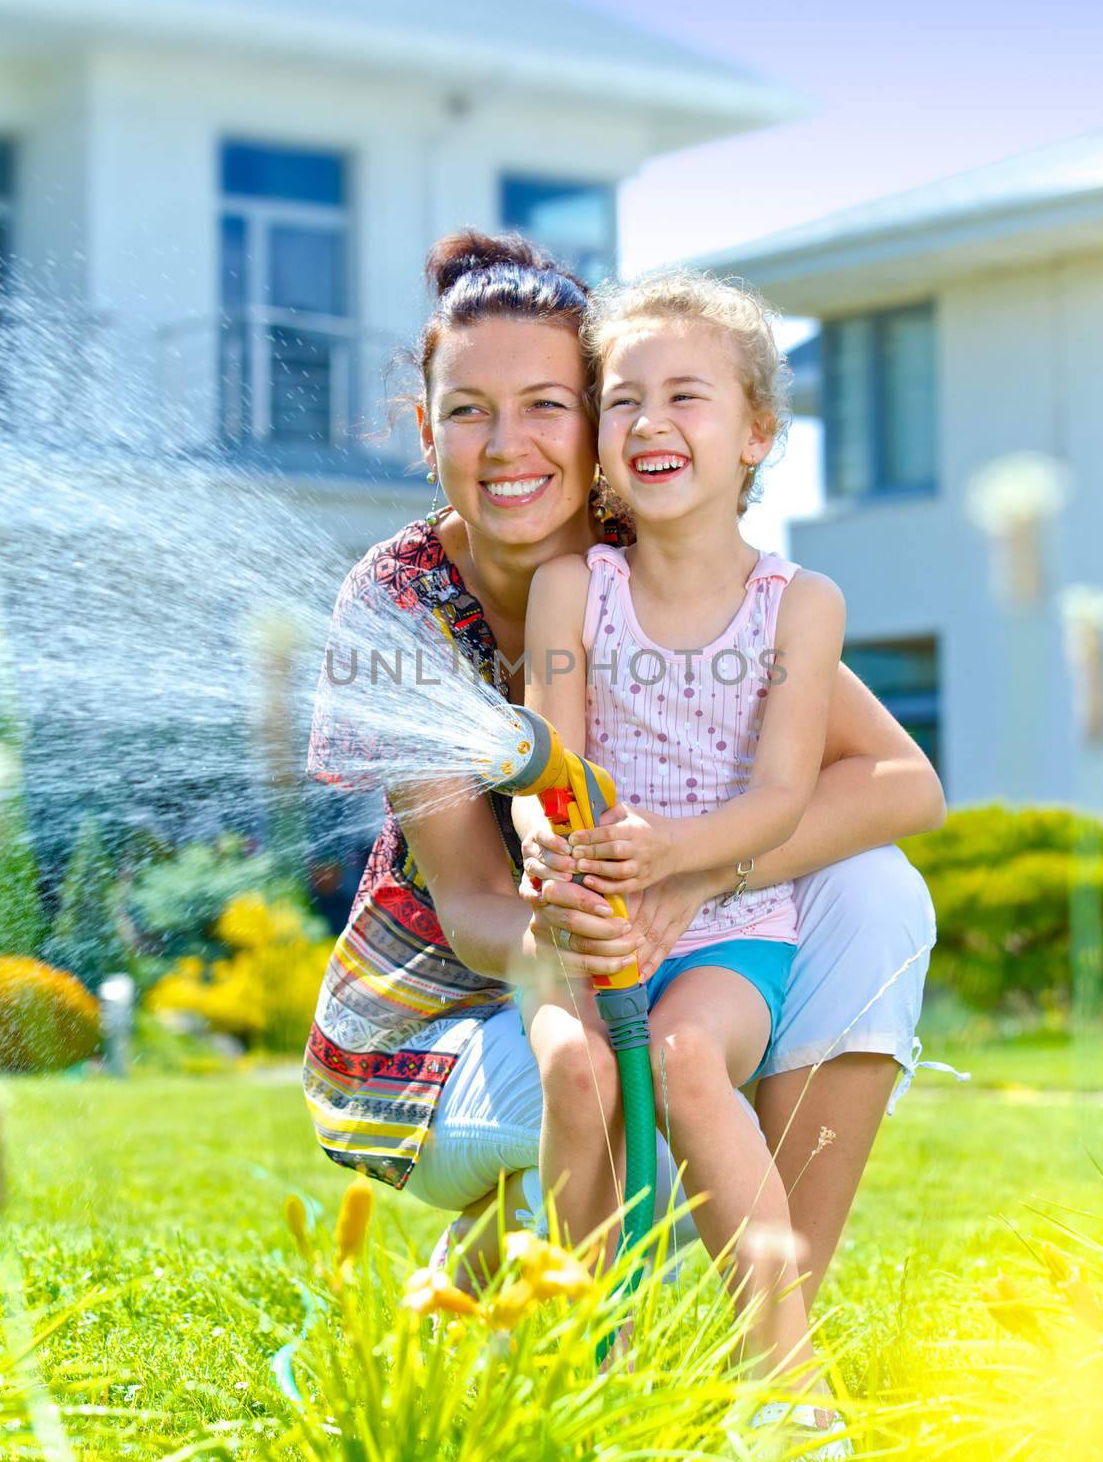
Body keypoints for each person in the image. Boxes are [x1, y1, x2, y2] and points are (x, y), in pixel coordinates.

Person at [303, 230, 947, 1317]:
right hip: (445, 1023)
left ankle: (763, 1338)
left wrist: (696, 882)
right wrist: (585, 936)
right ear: (426, 431)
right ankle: (529, 1304)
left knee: (878, 889)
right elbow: (468, 902)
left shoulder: (654, 557)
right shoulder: (400, 602)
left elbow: (898, 780)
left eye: (548, 404)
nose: (507, 446)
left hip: (652, 950)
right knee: (600, 1065)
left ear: (599, 420)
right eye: (467, 410)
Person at [513, 267, 844, 1412]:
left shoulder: (798, 603)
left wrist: (679, 864)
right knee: (577, 1064)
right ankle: (574, 1360)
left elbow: (782, 801)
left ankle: (785, 1383)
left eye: (686, 397)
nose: (649, 422)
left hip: (731, 928)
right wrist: (547, 849)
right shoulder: (573, 587)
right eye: (622, 400)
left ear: (756, 433)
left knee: (691, 1060)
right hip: (588, 921)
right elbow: (541, 767)